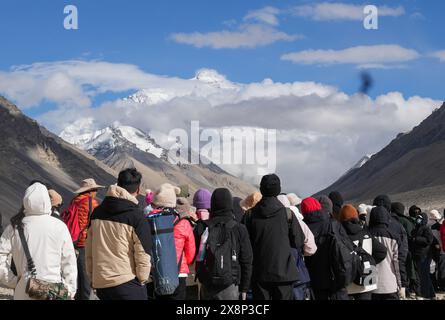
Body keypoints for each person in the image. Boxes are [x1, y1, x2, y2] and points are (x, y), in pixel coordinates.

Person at [0, 183, 77, 300]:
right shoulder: (59, 226)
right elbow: (69, 261)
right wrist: (69, 290)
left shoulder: (14, 226)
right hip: (54, 292)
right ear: (47, 201)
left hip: (24, 290)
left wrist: (12, 281)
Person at [86, 168, 152, 300]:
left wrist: (93, 277)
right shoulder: (136, 216)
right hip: (127, 282)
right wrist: (142, 279)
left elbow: (89, 251)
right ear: (138, 190)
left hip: (101, 284)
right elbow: (143, 252)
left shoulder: (97, 213)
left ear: (118, 184)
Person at [245, 174, 305, 300]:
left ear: (261, 189)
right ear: (278, 190)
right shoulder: (288, 214)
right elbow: (299, 241)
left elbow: (244, 245)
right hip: (284, 273)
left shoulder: (249, 215)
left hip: (259, 274)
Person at [197, 188, 253, 300]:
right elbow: (247, 260)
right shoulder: (239, 229)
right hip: (231, 285)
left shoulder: (202, 226)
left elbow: (197, 256)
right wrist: (244, 288)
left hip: (208, 284)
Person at [151, 183, 196, 300]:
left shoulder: (150, 221)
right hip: (179, 273)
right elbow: (191, 253)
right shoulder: (184, 223)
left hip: (158, 272)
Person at [302, 197, 350, 300]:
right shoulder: (333, 225)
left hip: (315, 283)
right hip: (336, 282)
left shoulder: (303, 229)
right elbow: (347, 249)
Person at [64, 178, 103, 300]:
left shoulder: (74, 200)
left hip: (72, 241)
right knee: (86, 277)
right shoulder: (91, 202)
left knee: (75, 275)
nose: (96, 192)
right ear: (90, 190)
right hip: (85, 242)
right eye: (95, 189)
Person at [339, 205, 387, 300]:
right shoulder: (365, 233)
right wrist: (369, 262)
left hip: (348, 284)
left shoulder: (339, 236)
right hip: (367, 280)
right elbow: (382, 251)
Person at [277, 195, 316, 300]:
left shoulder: (270, 223)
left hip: (277, 275)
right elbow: (311, 248)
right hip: (298, 273)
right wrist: (301, 252)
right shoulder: (298, 221)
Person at [373, 195, 408, 299]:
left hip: (370, 284)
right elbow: (401, 257)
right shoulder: (398, 227)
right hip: (391, 282)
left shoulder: (366, 230)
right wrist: (403, 283)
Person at [368, 206, 401, 300]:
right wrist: (400, 284)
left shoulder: (366, 234)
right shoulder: (394, 236)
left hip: (371, 284)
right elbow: (397, 262)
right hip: (390, 284)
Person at [391, 201, 416, 299]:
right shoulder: (405, 221)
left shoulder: (389, 220)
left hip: (392, 251)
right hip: (406, 250)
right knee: (408, 270)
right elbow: (411, 235)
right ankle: (409, 291)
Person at [410, 212, 435, 299]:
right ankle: (431, 294)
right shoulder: (416, 228)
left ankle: (427, 294)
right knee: (423, 275)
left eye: (420, 218)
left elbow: (429, 240)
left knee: (424, 275)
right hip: (417, 255)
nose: (418, 220)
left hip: (424, 255)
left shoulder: (426, 229)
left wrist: (416, 239)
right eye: (417, 218)